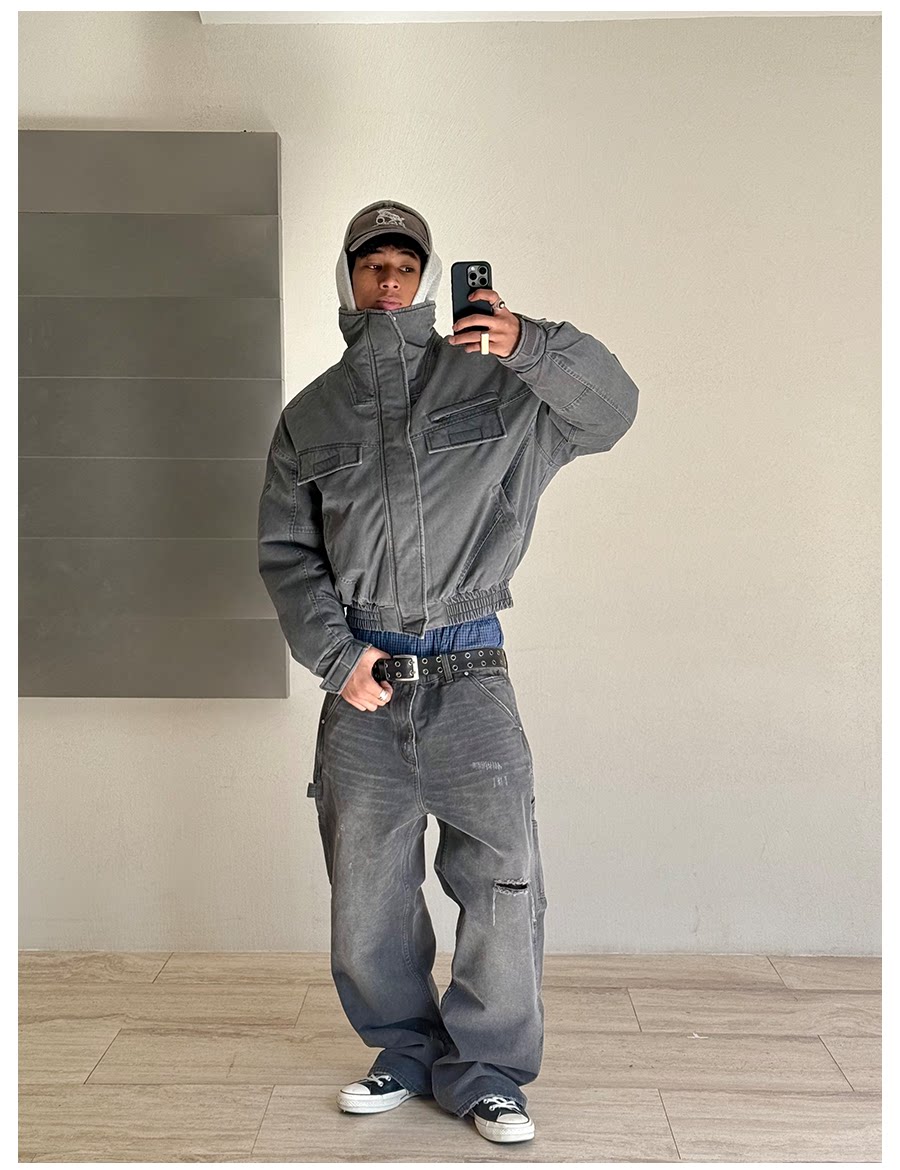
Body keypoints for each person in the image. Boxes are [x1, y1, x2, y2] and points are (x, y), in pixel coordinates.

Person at [257, 199, 639, 1143]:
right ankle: (403, 1049)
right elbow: (287, 554)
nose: (388, 279)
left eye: (404, 263)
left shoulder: (498, 384)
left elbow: (612, 410)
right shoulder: (312, 415)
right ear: (348, 278)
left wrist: (530, 343)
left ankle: (489, 1072)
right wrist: (339, 658)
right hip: (365, 685)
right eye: (371, 264)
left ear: (428, 278)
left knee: (504, 884)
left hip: (472, 675)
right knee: (367, 897)